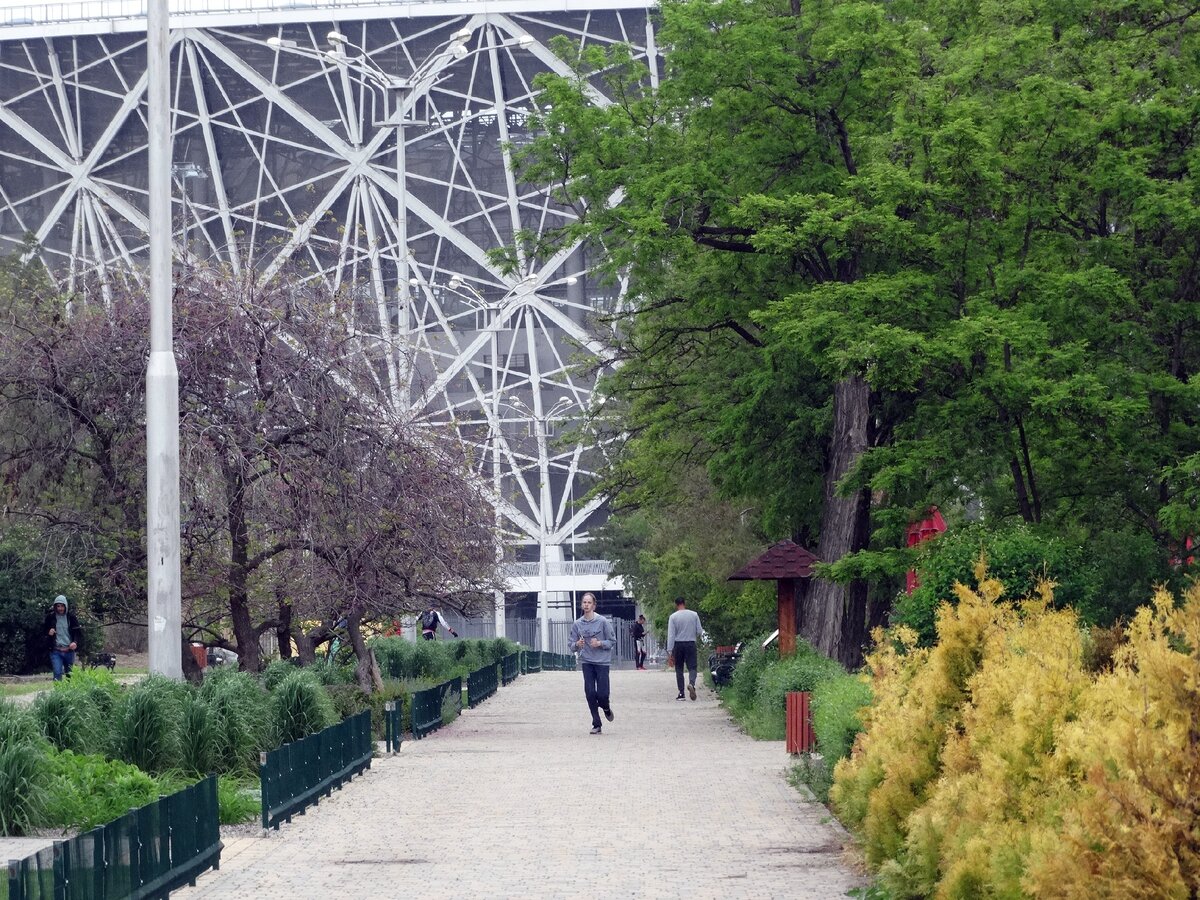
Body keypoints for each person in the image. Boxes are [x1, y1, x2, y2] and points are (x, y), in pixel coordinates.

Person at [569, 592, 615, 734]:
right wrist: (577, 644)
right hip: (587, 661)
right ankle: (596, 723)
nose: (586, 605)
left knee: (602, 694)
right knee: (589, 692)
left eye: (589, 603)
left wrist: (600, 643)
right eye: (584, 602)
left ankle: (606, 707)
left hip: (602, 662)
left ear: (594, 605)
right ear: (581, 605)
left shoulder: (602, 622)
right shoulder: (577, 624)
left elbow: (612, 641)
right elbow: (570, 645)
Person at [666, 596, 703, 701]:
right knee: (692, 667)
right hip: (691, 643)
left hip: (678, 645)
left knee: (679, 669)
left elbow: (671, 635)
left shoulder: (673, 617)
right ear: (684, 603)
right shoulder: (694, 614)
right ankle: (691, 683)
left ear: (676, 604)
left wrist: (670, 651)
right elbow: (700, 631)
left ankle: (681, 693)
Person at [43, 594, 82, 681]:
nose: (60, 608)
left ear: (66, 606)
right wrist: (49, 633)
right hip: (56, 650)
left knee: (69, 674)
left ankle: (69, 693)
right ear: (55, 607)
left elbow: (78, 632)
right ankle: (58, 693)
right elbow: (43, 631)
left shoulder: (71, 617)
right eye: (58, 606)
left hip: (69, 650)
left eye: (62, 606)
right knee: (57, 673)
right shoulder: (50, 617)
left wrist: (75, 642)